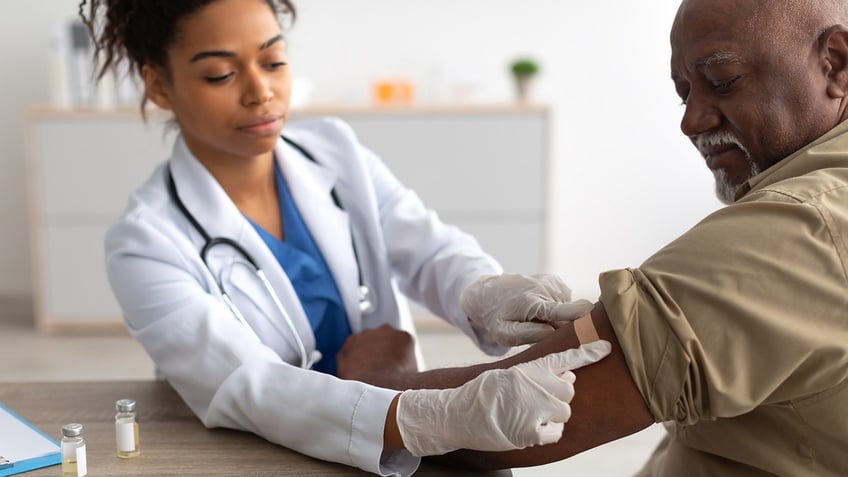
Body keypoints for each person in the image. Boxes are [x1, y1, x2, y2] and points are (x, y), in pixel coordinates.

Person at [79, 0, 612, 475]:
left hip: (392, 413)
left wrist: (481, 292)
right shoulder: (144, 244)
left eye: (273, 61)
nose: (260, 91)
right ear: (158, 85)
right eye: (220, 74)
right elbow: (245, 387)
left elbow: (426, 246)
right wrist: (435, 416)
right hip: (271, 451)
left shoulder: (334, 151)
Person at [340, 0, 848, 475]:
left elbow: (499, 428)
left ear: (837, 63)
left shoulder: (800, 227)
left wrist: (377, 379)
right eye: (684, 92)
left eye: (722, 81)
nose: (691, 120)